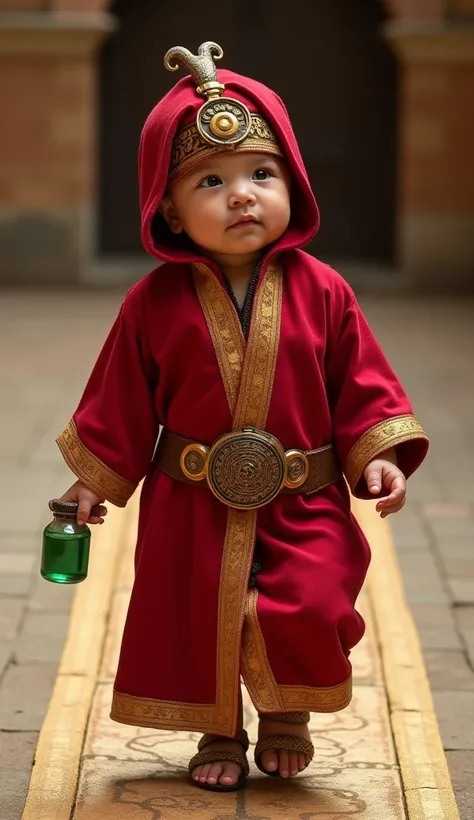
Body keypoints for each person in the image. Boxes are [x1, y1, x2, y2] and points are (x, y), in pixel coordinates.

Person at [54, 41, 428, 792]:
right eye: (212, 182)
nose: (243, 195)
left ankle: (288, 714)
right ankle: (217, 728)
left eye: (263, 174)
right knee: (202, 616)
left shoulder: (325, 290)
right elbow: (118, 401)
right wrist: (91, 483)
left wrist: (377, 453)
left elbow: (362, 385)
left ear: (292, 182)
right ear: (167, 207)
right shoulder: (150, 305)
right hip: (192, 500)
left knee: (310, 603)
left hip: (304, 494)